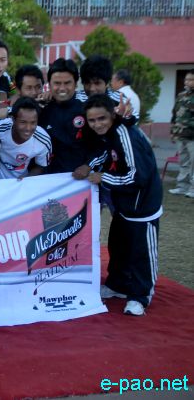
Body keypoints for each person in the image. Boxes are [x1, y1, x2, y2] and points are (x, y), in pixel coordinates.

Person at [77, 94, 162, 316]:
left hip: (142, 207)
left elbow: (138, 177)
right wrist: (89, 165)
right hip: (123, 207)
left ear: (112, 116)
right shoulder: (111, 133)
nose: (97, 124)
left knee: (142, 253)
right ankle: (118, 285)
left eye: (102, 118)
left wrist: (103, 177)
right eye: (92, 120)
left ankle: (140, 297)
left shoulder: (127, 135)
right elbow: (107, 154)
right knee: (119, 246)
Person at [38, 58, 89, 174]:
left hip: (81, 179)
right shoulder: (41, 109)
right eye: (57, 83)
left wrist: (88, 165)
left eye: (67, 83)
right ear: (49, 84)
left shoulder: (87, 108)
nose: (62, 88)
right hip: (49, 179)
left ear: (75, 84)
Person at [0, 97, 52, 179]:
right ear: (13, 119)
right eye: (23, 122)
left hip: (20, 182)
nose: (28, 128)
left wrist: (26, 179)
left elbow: (41, 166)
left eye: (33, 123)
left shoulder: (43, 140)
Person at [168, 70, 194, 197]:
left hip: (192, 136)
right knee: (183, 162)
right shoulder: (181, 95)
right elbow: (175, 114)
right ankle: (182, 187)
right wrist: (172, 131)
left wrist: (187, 124)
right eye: (186, 79)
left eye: (191, 80)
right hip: (181, 135)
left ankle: (193, 189)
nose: (187, 82)